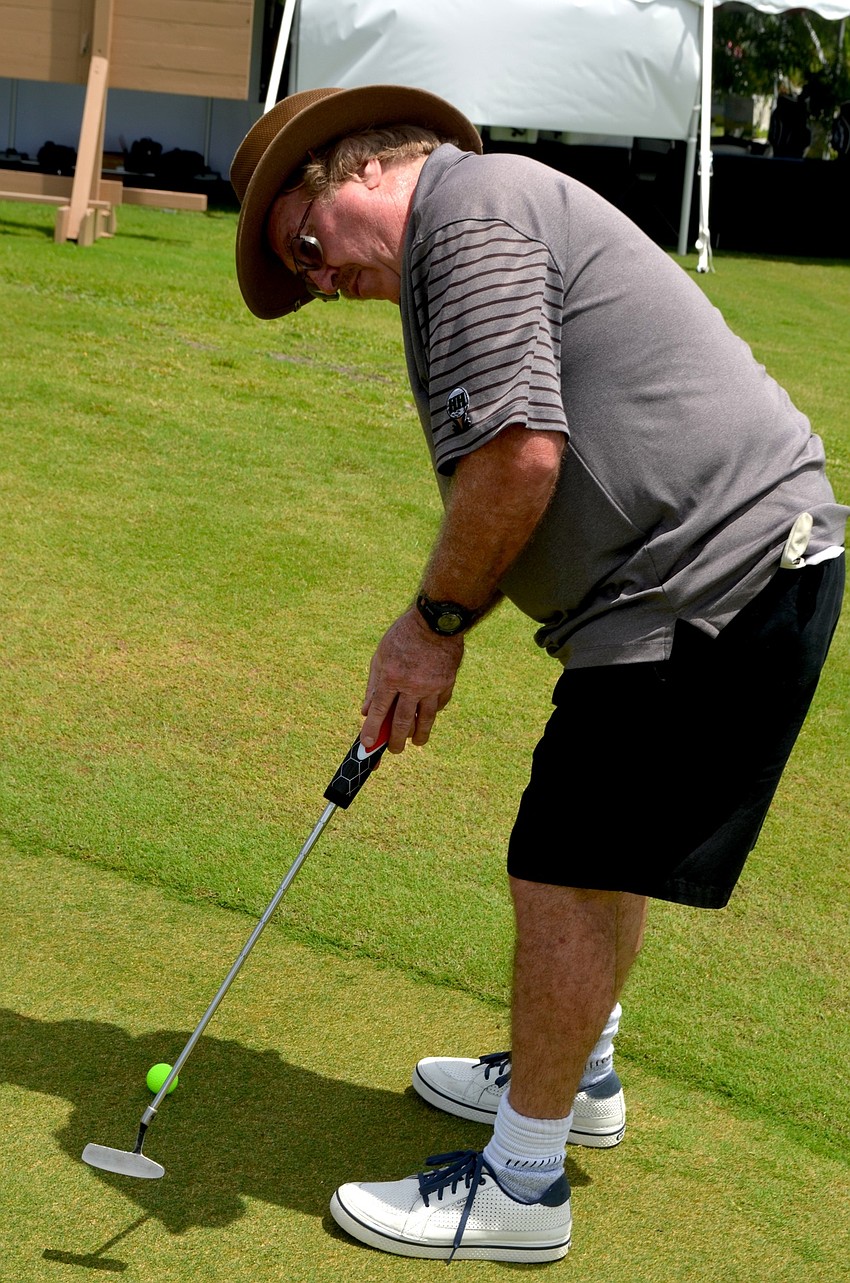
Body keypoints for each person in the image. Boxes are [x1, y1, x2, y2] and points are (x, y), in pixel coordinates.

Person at [230, 85, 847, 1263]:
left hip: (702, 583)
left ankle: (519, 1185)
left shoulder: (467, 216)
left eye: (305, 248)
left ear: (347, 172)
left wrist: (431, 626)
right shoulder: (480, 216)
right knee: (597, 856)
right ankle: (583, 1068)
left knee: (559, 871)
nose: (318, 280)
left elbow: (517, 455)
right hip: (724, 577)